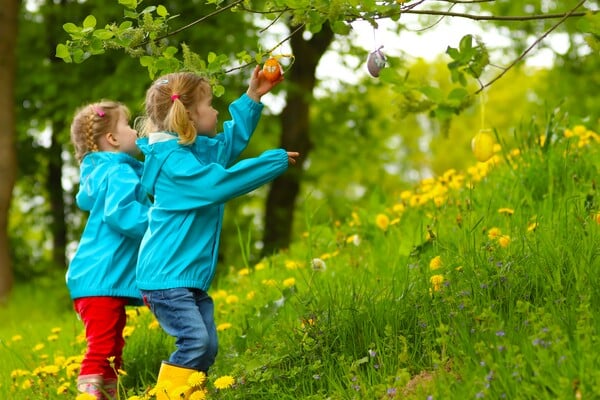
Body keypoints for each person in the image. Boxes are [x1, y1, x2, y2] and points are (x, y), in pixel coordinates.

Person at [135, 66, 299, 399]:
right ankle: (167, 396)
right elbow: (217, 184)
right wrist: (273, 161)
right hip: (166, 278)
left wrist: (252, 97)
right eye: (210, 106)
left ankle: (188, 393)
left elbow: (224, 148)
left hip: (183, 277)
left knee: (207, 347)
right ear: (189, 118)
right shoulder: (175, 166)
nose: (215, 112)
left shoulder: (190, 153)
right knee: (196, 341)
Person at [66, 100, 150, 399]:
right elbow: (121, 213)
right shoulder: (118, 173)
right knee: (102, 347)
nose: (134, 130)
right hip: (99, 278)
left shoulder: (105, 173)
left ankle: (108, 394)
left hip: (97, 279)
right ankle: (89, 395)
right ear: (112, 139)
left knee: (113, 346)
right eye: (128, 125)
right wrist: (157, 221)